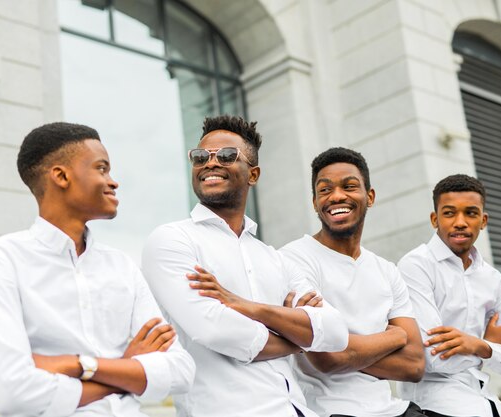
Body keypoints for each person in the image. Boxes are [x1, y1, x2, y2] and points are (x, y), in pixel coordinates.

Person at [0, 122, 194, 416]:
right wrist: (125, 369)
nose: (113, 182)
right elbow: (12, 393)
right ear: (61, 176)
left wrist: (79, 364)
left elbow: (180, 371)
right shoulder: (2, 260)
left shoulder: (122, 265)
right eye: (102, 169)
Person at [141, 115, 349, 417]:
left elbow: (336, 331)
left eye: (226, 155)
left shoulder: (274, 258)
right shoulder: (172, 240)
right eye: (200, 157)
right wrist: (299, 338)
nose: (210, 163)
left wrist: (247, 307)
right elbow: (214, 330)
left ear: (253, 174)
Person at [281, 147, 426, 417]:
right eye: (325, 190)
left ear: (369, 196)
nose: (337, 196)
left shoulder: (386, 270)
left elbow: (415, 365)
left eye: (349, 186)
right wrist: (394, 336)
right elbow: (328, 358)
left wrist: (346, 350)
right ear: (315, 202)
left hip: (394, 410)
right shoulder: (294, 259)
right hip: (327, 411)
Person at [397, 174, 501, 417]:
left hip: (487, 401)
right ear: (434, 219)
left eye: (470, 213)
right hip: (436, 405)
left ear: (483, 220)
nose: (460, 222)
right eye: (449, 213)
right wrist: (490, 347)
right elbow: (432, 359)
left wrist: (480, 345)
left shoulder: (491, 278)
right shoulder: (416, 266)